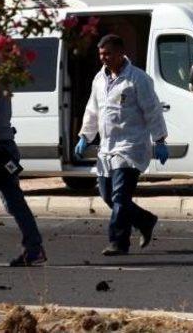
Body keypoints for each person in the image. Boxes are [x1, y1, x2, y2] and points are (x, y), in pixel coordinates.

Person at [75, 34, 169, 256]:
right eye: (100, 54)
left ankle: (118, 242)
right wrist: (85, 136)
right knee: (108, 196)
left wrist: (160, 140)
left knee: (119, 197)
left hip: (130, 146)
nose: (104, 58)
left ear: (120, 52)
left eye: (107, 53)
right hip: (107, 148)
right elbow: (92, 110)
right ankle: (145, 220)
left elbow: (152, 111)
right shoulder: (99, 80)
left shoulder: (137, 79)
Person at [0, 90, 47, 266]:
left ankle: (34, 248)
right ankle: (34, 248)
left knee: (14, 201)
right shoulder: (1, 76)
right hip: (4, 149)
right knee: (14, 201)